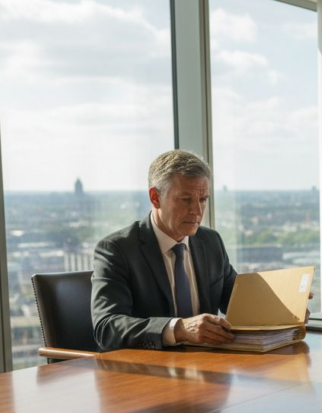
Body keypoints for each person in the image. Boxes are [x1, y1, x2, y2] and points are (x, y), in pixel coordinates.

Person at [91, 149, 239, 351]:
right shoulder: (117, 250)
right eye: (186, 199)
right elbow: (107, 327)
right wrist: (178, 329)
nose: (197, 210)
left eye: (203, 199)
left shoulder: (210, 241)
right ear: (155, 197)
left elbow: (240, 301)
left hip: (207, 368)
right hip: (147, 373)